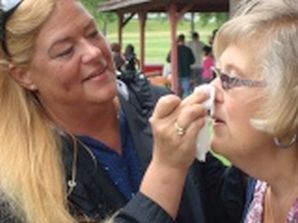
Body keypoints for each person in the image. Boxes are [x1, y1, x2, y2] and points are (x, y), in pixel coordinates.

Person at [0, 0, 246, 222]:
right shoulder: (15, 181)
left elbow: (220, 205)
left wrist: (250, 156)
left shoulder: (157, 106)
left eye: (92, 33)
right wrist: (167, 168)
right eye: (65, 51)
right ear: (24, 75)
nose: (94, 52)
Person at [209, 0, 298, 222]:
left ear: (289, 98)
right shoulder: (261, 186)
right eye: (216, 75)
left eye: (229, 79)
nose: (211, 91)